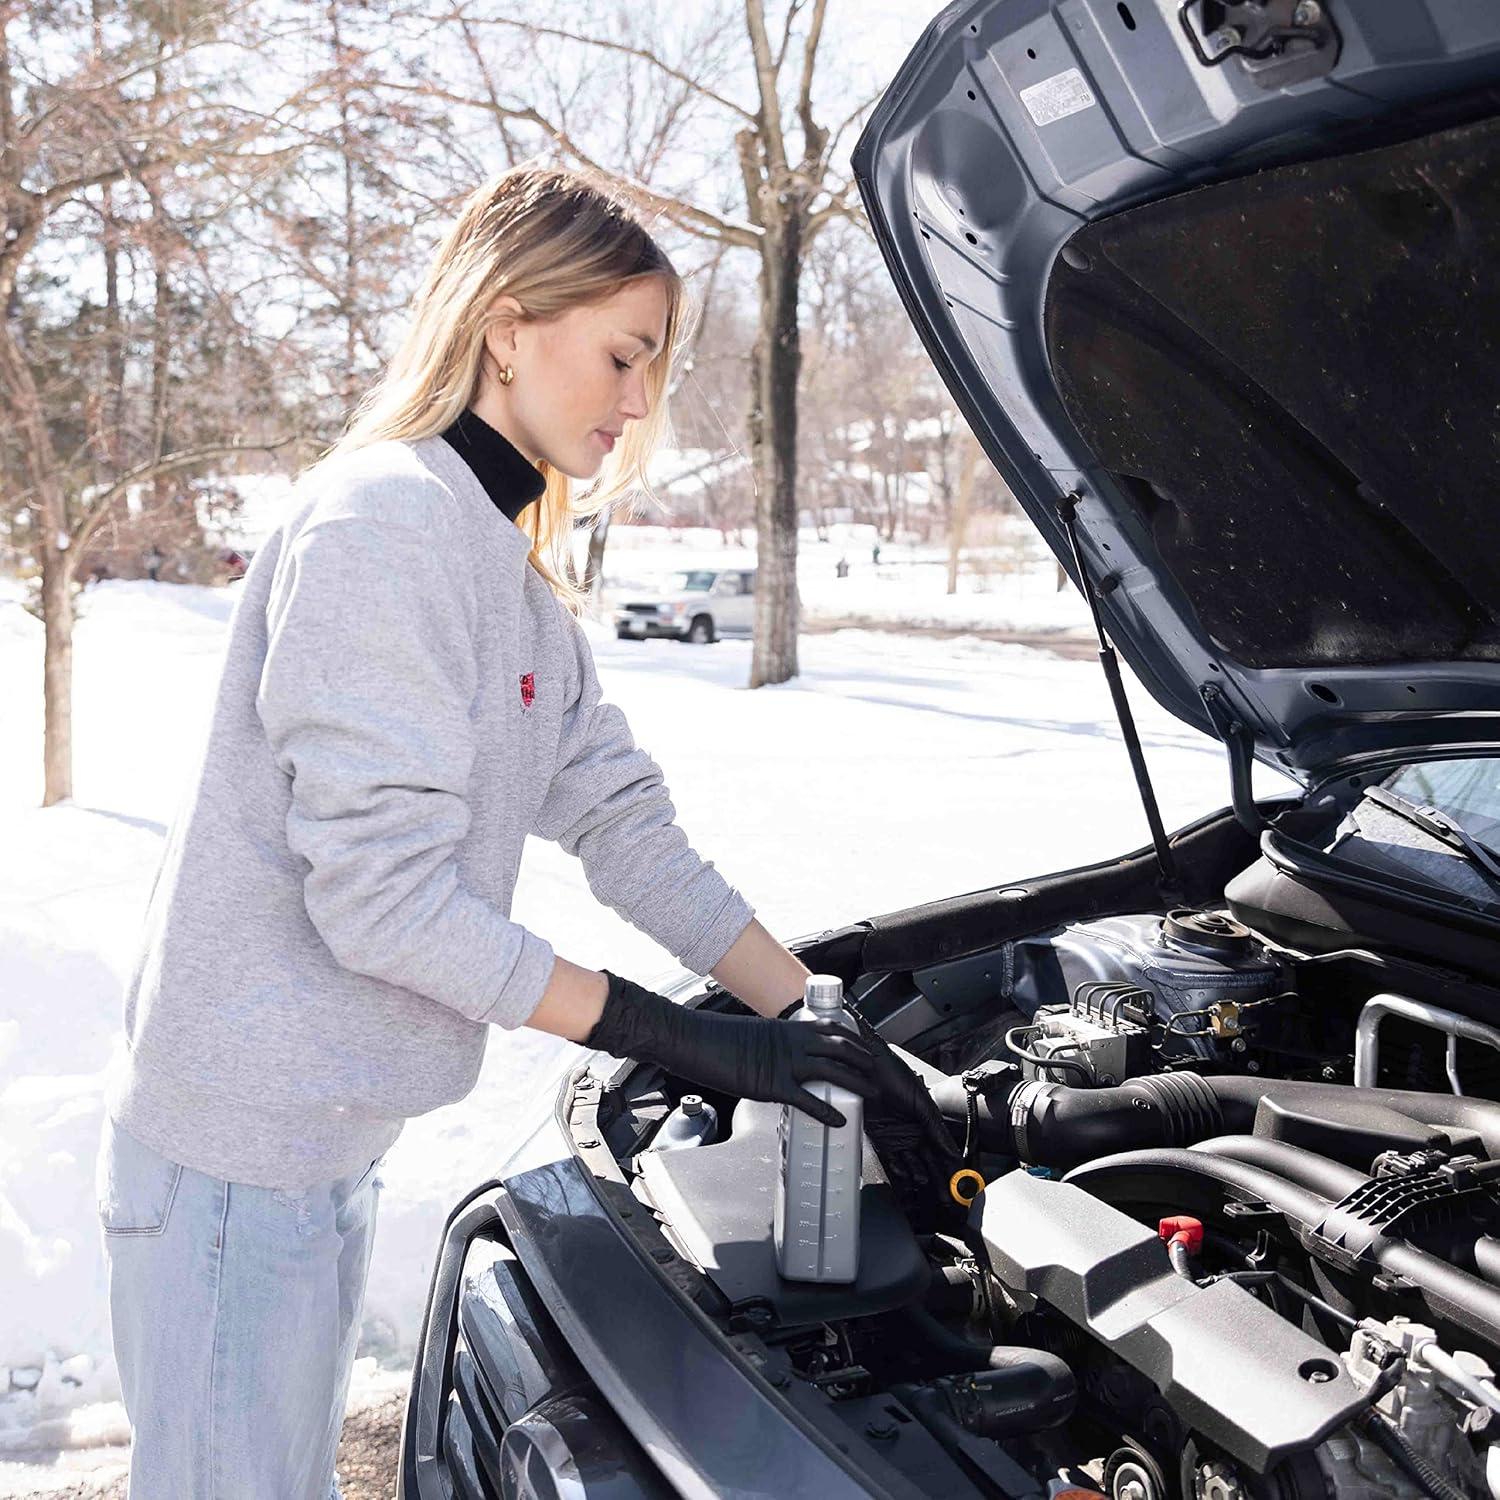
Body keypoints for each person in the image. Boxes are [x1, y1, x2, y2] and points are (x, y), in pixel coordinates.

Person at [94, 163, 888, 1499]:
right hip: (232, 1164)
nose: (640, 405)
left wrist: (811, 1019)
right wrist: (675, 1034)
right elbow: (384, 906)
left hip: (310, 1150)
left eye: (654, 368)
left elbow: (627, 830)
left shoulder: (502, 577)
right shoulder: (383, 525)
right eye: (623, 357)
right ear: (509, 326)